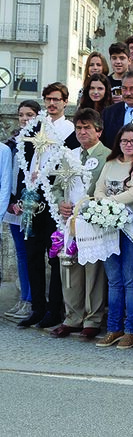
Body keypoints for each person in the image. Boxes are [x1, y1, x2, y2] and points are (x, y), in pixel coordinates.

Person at [47, 108, 110, 340]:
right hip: (69, 223)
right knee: (70, 268)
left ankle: (92, 319)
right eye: (79, 128)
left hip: (92, 222)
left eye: (87, 128)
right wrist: (60, 203)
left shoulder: (107, 156)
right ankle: (72, 317)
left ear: (98, 131)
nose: (82, 132)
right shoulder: (69, 155)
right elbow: (56, 187)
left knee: (93, 271)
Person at [14, 85, 73, 328]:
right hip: (33, 197)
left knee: (55, 255)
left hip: (55, 198)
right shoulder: (36, 127)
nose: (52, 103)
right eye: (48, 99)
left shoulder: (69, 130)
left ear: (65, 102)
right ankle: (37, 307)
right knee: (32, 254)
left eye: (56, 99)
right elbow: (24, 163)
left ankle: (54, 309)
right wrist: (22, 194)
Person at [95, 124, 133, 349]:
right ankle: (114, 328)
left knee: (131, 280)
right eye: (125, 140)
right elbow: (99, 189)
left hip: (132, 229)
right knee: (114, 280)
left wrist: (108, 203)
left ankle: (131, 330)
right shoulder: (110, 163)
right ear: (118, 142)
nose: (129, 144)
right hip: (109, 227)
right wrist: (103, 205)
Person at [2, 100, 40, 322]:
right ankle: (24, 298)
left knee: (32, 254)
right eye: (21, 115)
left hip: (31, 206)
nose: (25, 119)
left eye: (29, 115)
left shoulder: (41, 141)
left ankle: (33, 300)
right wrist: (10, 201)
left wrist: (25, 201)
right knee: (21, 254)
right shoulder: (12, 143)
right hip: (13, 205)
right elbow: (7, 175)